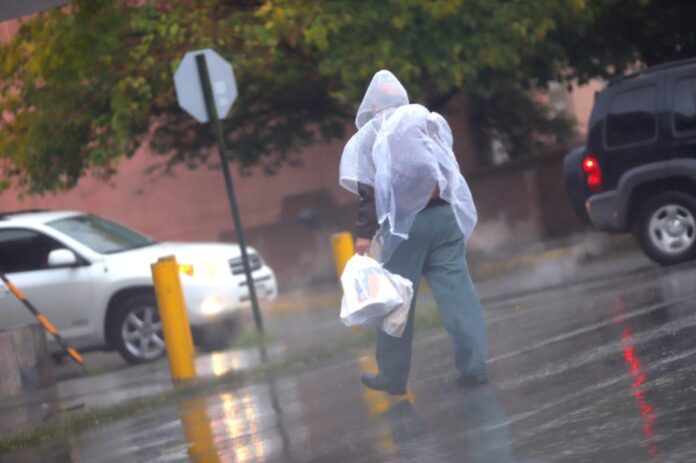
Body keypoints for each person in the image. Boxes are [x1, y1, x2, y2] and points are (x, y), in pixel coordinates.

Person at [339, 70, 488, 394]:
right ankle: (474, 367)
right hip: (445, 218)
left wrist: (364, 233)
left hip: (405, 226)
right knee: (458, 293)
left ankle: (392, 377)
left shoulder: (375, 133)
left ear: (375, 106)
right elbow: (447, 166)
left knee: (393, 299)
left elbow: (371, 190)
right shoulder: (425, 121)